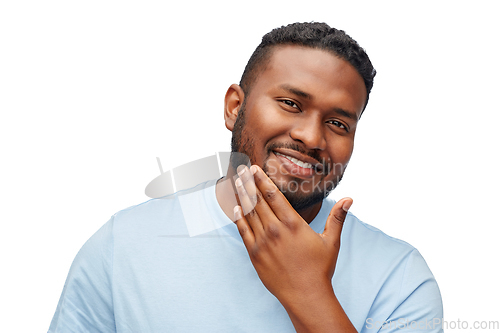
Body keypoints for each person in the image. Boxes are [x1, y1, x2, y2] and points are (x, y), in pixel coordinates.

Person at [49, 22, 443, 332]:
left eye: (338, 123)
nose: (310, 136)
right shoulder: (123, 246)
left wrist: (309, 294)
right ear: (234, 108)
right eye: (290, 103)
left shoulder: (401, 278)